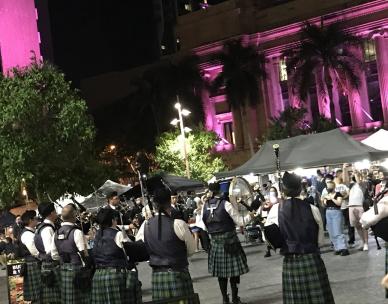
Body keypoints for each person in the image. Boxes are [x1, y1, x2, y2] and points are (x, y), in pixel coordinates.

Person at [266, 172, 334, 304]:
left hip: (291, 261)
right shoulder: (312, 208)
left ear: (283, 190)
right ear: (300, 188)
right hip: (312, 259)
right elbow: (320, 240)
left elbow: (268, 237)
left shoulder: (276, 210)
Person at [136, 188, 196, 302]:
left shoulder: (146, 224)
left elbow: (141, 245)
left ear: (154, 205)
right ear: (169, 202)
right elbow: (192, 250)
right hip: (178, 274)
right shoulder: (178, 224)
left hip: (158, 276)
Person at [202, 182, 251, 304]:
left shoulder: (205, 206)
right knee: (234, 273)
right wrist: (251, 215)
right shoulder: (226, 204)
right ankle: (235, 298)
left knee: (221, 274)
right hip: (230, 242)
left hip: (215, 243)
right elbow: (241, 222)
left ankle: (225, 299)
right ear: (219, 190)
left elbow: (203, 225)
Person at [91, 208, 141, 304]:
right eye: (115, 218)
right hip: (116, 276)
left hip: (98, 275)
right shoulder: (117, 234)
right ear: (112, 220)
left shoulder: (97, 234)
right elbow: (131, 252)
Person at [51, 204, 90, 304]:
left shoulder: (56, 233)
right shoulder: (76, 232)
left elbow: (54, 254)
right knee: (81, 299)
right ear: (74, 215)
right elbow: (84, 253)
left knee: (68, 300)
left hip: (64, 269)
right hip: (77, 269)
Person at [35, 202, 61, 303]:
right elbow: (50, 250)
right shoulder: (47, 228)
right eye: (55, 211)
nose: (56, 213)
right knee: (55, 299)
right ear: (51, 213)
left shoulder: (42, 226)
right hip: (51, 265)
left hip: (48, 264)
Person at [19, 210, 41, 303]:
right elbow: (34, 252)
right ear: (30, 220)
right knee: (37, 294)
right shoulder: (27, 234)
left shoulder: (30, 232)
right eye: (35, 218)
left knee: (38, 293)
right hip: (33, 263)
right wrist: (43, 258)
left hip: (33, 263)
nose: (37, 219)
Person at [322, 181, 349, 256]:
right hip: (328, 212)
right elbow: (324, 205)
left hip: (336, 211)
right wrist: (324, 200)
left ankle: (343, 248)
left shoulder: (338, 194)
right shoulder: (326, 194)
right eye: (327, 186)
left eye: (330, 186)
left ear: (333, 187)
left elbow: (339, 203)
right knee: (331, 231)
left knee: (338, 230)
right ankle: (337, 248)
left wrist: (331, 198)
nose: (328, 188)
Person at [348, 172, 369, 251]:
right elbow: (346, 180)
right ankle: (363, 242)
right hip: (351, 207)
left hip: (359, 206)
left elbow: (359, 181)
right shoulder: (351, 185)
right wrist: (344, 168)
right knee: (357, 226)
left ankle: (366, 243)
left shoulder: (363, 183)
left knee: (363, 226)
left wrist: (356, 172)